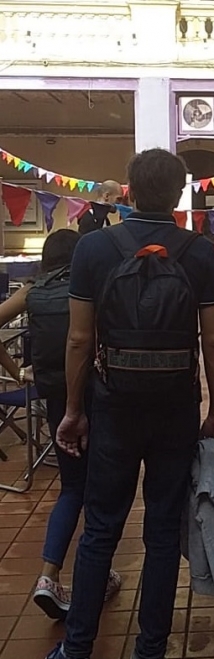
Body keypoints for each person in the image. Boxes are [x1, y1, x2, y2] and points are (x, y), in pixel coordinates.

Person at [45, 148, 214, 659]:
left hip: (114, 405)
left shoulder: (94, 249)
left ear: (127, 190)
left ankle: (76, 647)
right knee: (164, 531)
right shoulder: (199, 252)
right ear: (179, 193)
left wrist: (74, 410)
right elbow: (213, 342)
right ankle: (151, 649)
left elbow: (80, 340)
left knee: (101, 528)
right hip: (175, 406)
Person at [0, 230, 121, 620]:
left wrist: (17, 372)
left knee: (71, 488)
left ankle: (48, 575)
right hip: (95, 397)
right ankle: (95, 575)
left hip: (55, 400)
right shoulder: (91, 289)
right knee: (101, 490)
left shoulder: (32, 291)